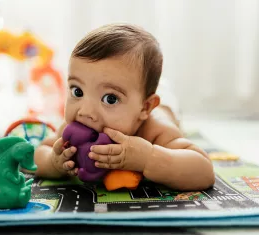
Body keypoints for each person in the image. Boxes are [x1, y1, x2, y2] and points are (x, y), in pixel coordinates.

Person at [34, 24, 215, 191]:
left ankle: (161, 93)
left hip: (165, 108)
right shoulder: (72, 130)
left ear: (145, 108)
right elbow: (40, 152)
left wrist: (147, 158)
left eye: (110, 98)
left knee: (165, 105)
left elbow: (203, 171)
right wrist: (53, 162)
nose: (85, 112)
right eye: (77, 91)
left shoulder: (155, 132)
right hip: (139, 96)